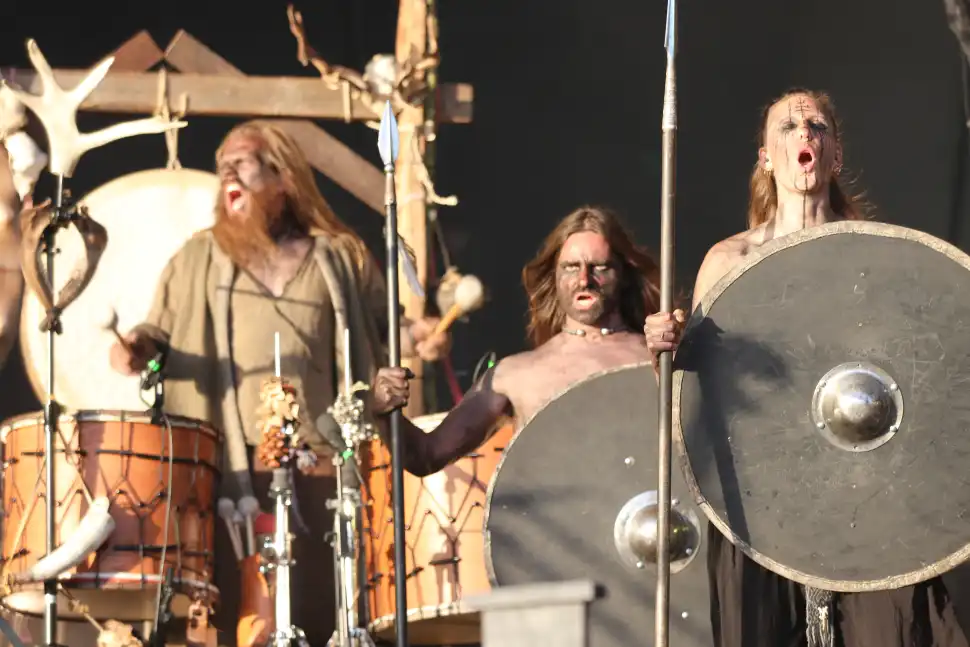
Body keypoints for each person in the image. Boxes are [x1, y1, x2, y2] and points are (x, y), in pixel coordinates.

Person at [644, 89, 969, 647]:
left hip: (872, 478)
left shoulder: (872, 256)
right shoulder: (731, 261)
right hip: (760, 485)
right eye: (788, 127)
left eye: (817, 125)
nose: (804, 135)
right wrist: (665, 349)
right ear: (766, 156)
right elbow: (693, 393)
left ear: (835, 153)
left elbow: (925, 367)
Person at [107, 120, 450, 646]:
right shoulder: (197, 257)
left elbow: (385, 327)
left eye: (241, 160)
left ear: (283, 177)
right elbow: (158, 332)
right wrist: (137, 349)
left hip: (324, 471)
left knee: (325, 616)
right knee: (237, 623)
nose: (226, 168)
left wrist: (420, 333)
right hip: (229, 480)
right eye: (222, 162)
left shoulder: (338, 257)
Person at [368, 205, 660, 475]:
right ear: (554, 276)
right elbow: (426, 455)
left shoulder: (656, 358)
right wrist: (384, 413)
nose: (584, 279)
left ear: (623, 274)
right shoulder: (515, 375)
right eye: (571, 267)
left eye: (599, 267)